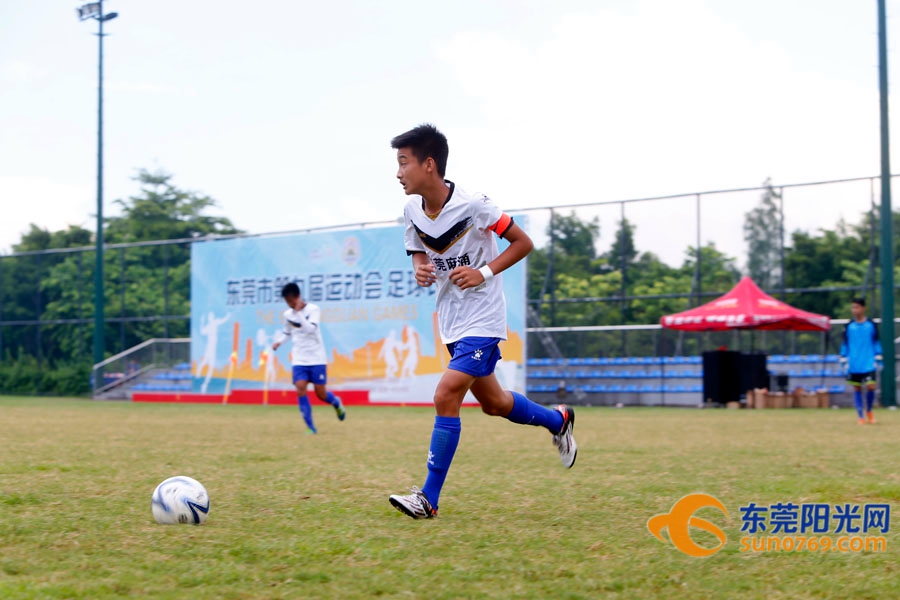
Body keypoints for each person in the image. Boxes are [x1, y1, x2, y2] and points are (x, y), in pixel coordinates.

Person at [387, 123, 577, 519]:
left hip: (485, 320)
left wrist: (484, 272)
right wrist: (421, 268)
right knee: (495, 403)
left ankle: (428, 499)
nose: (399, 172)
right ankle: (558, 420)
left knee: (445, 395)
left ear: (429, 164)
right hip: (452, 322)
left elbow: (523, 243)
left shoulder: (476, 205)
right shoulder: (410, 211)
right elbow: (418, 253)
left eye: (404, 162)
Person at [272, 283, 346, 433]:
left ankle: (336, 403)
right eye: (288, 303)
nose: (291, 305)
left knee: (321, 394)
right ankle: (310, 427)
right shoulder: (288, 315)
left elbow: (310, 329)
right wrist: (279, 342)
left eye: (292, 302)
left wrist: (299, 313)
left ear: (298, 297)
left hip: (317, 358)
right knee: (300, 388)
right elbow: (287, 332)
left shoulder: (313, 310)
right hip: (299, 359)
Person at [839, 297, 883, 424]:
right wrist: (843, 356)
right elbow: (845, 343)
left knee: (871, 386)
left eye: (857, 307)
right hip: (854, 363)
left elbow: (876, 341)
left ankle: (869, 410)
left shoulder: (871, 325)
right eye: (853, 307)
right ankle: (860, 416)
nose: (854, 310)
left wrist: (879, 355)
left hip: (868, 362)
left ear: (864, 308)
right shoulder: (849, 326)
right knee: (857, 388)